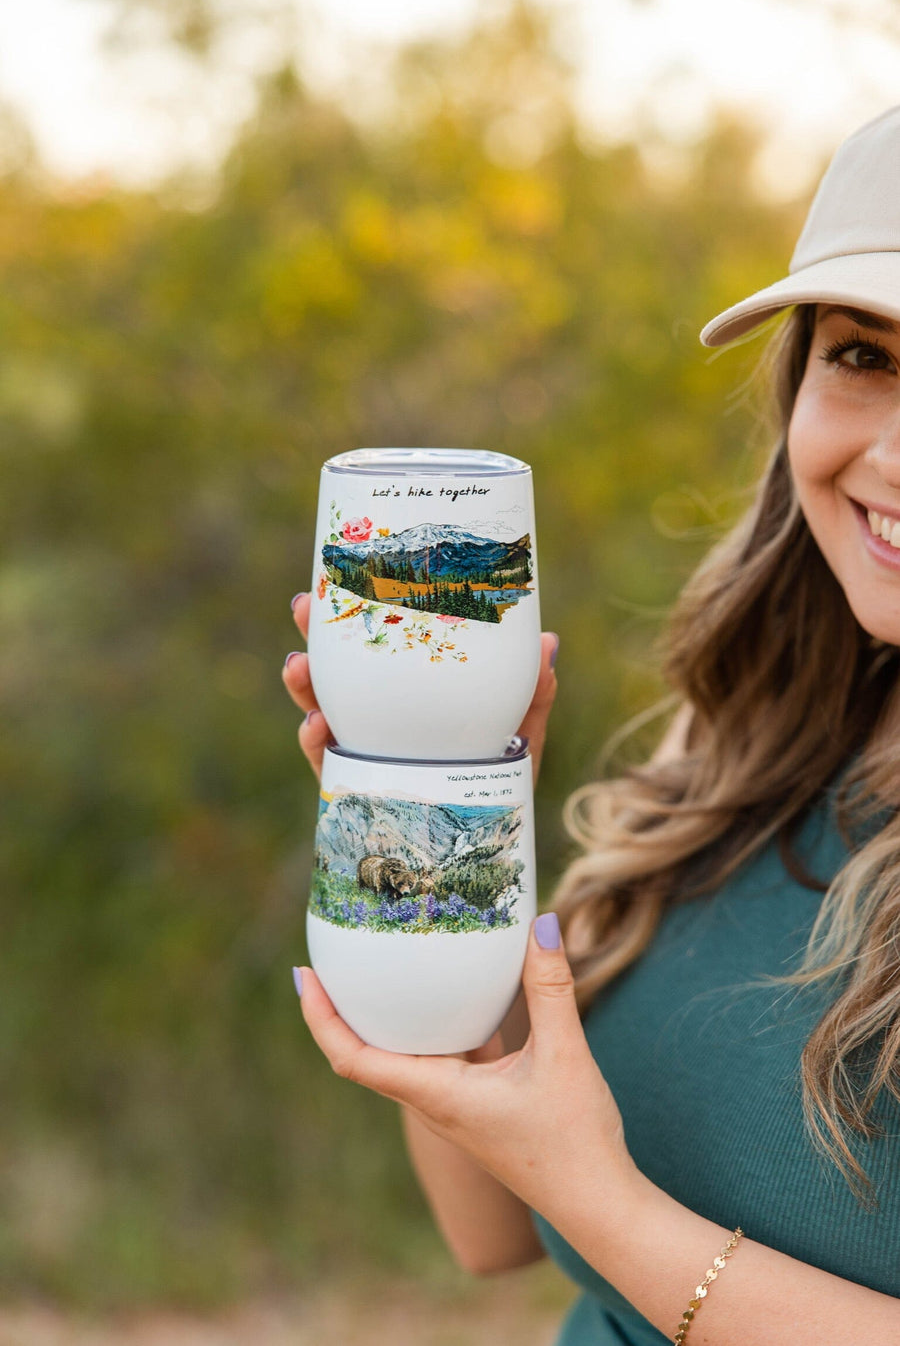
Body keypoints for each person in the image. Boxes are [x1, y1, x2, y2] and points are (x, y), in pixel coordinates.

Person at [282, 105, 900, 1343]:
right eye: (864, 357)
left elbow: (565, 1200)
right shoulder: (746, 744)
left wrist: (596, 1194)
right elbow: (490, 1232)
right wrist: (449, 847)